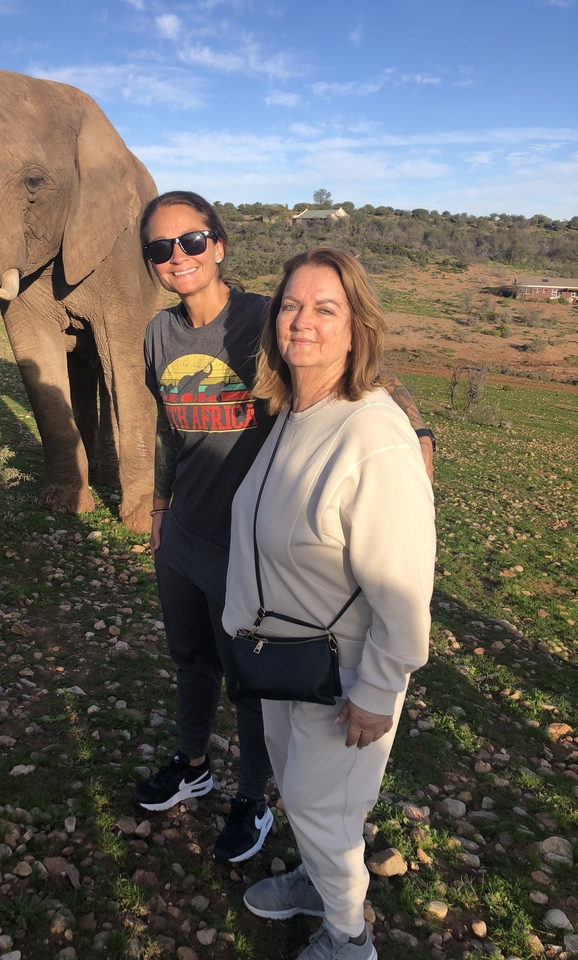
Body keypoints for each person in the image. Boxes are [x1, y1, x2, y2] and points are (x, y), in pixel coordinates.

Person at [132, 193, 434, 866]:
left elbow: (370, 367)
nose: (176, 257)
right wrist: (157, 506)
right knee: (190, 659)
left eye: (191, 240)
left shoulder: (265, 317)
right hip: (182, 532)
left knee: (253, 677)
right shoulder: (158, 334)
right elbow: (166, 427)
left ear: (219, 245)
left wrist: (418, 433)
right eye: (159, 248)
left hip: (247, 548)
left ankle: (252, 797)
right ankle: (192, 762)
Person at [222, 247, 435, 959]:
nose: (300, 321)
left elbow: (403, 584)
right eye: (290, 304)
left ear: (356, 328)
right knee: (304, 794)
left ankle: (348, 939)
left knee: (324, 805)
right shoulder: (294, 410)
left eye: (325, 308)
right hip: (285, 658)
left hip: (344, 675)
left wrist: (380, 688)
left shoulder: (372, 435)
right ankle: (321, 883)